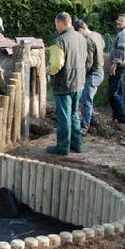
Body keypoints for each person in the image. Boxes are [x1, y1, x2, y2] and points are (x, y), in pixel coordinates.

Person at [47, 12, 87, 155]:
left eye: (56, 24)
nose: (56, 27)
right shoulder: (81, 38)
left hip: (64, 83)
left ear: (61, 23)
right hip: (79, 82)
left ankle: (63, 147)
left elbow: (57, 64)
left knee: (64, 116)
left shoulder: (59, 41)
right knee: (74, 114)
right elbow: (86, 59)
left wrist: (47, 71)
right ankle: (77, 145)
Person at [74, 19, 105, 134]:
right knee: (86, 98)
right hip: (100, 70)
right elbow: (103, 45)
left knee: (86, 99)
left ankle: (85, 126)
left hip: (93, 73)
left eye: (78, 33)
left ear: (81, 30)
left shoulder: (88, 40)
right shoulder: (97, 35)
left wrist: (81, 73)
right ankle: (93, 119)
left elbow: (89, 62)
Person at [107, 13, 125, 124]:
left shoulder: (124, 34)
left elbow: (121, 49)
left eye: (121, 20)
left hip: (121, 68)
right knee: (117, 93)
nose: (118, 21)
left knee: (114, 93)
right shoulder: (124, 33)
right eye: (118, 19)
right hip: (122, 68)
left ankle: (122, 119)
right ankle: (117, 116)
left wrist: (114, 64)